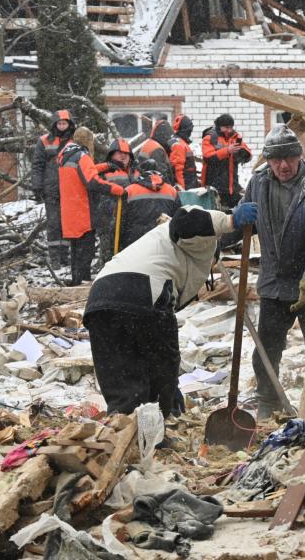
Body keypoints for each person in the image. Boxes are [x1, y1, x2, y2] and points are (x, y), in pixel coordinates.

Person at [83, 204, 258, 416]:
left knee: (121, 380)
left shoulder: (157, 244)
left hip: (100, 300)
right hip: (143, 291)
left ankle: (125, 430)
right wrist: (230, 221)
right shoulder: (201, 240)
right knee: (161, 368)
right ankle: (154, 433)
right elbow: (184, 222)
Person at [233, 125, 305, 420]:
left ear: (299, 155)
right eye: (276, 159)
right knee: (267, 347)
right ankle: (268, 401)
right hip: (275, 281)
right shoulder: (259, 182)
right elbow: (245, 220)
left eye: (289, 158)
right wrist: (228, 225)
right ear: (267, 160)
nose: (283, 165)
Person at [58, 127, 125, 286]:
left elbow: (84, 171)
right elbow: (92, 182)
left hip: (70, 211)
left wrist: (107, 166)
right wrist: (117, 190)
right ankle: (83, 284)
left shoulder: (66, 156)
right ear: (89, 141)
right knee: (85, 252)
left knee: (76, 251)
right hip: (83, 211)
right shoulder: (83, 156)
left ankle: (76, 282)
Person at [31, 109, 74, 267]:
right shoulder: (44, 141)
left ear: (69, 125)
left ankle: (65, 256)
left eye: (65, 123)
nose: (62, 126)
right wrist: (37, 185)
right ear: (54, 124)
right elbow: (37, 165)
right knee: (54, 223)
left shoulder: (74, 141)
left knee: (67, 223)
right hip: (51, 189)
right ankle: (55, 258)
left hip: (70, 189)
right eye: (60, 123)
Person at [118, 158, 182, 251]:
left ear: (139, 172)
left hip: (134, 246)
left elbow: (120, 223)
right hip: (163, 244)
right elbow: (178, 220)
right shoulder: (172, 191)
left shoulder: (129, 190)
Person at [93, 137, 136, 264]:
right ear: (112, 155)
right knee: (109, 254)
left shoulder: (135, 171)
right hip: (108, 220)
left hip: (128, 221)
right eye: (119, 153)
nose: (123, 156)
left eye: (126, 154)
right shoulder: (105, 171)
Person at [201, 114, 252, 209]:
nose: (229, 130)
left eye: (231, 127)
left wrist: (243, 153)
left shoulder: (235, 137)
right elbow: (208, 157)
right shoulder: (210, 137)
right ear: (219, 126)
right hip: (215, 187)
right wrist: (227, 151)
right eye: (226, 127)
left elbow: (248, 152)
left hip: (232, 187)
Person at [137, 117, 175, 185]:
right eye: (168, 137)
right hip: (155, 186)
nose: (169, 140)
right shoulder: (157, 149)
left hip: (146, 183)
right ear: (164, 136)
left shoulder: (150, 143)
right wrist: (170, 189)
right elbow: (161, 174)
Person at [169, 114, 199, 190]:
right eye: (190, 130)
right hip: (187, 186)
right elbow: (178, 169)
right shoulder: (179, 144)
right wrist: (181, 189)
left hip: (188, 184)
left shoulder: (179, 142)